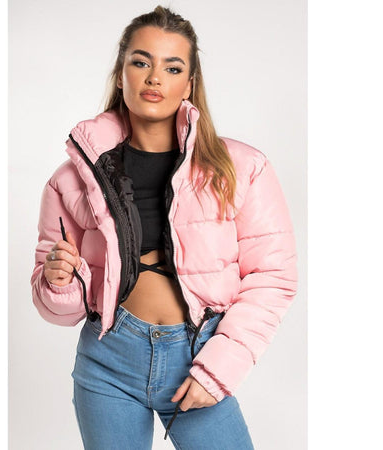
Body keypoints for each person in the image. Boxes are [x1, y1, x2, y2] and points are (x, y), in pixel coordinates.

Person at [31, 5, 298, 449]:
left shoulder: (241, 168)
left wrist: (218, 370)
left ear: (189, 84)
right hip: (108, 363)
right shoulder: (72, 179)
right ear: (121, 75)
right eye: (141, 62)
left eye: (172, 67)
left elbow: (273, 278)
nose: (155, 78)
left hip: (198, 355)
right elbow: (59, 309)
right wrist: (58, 281)